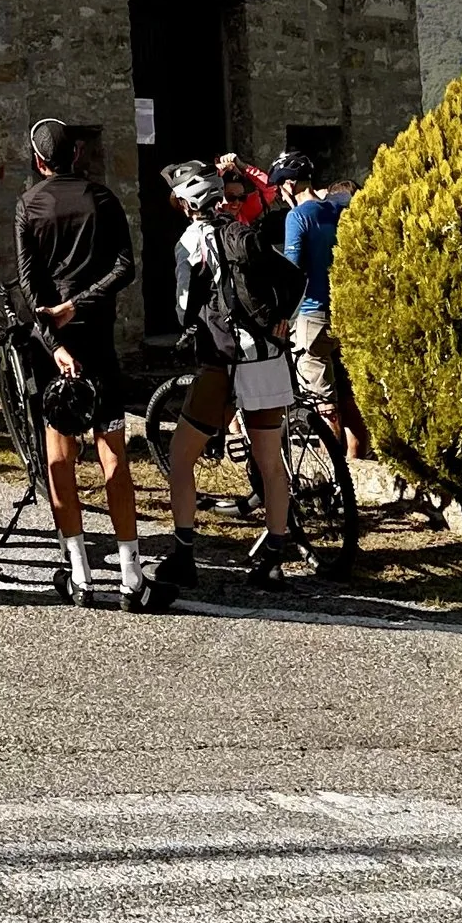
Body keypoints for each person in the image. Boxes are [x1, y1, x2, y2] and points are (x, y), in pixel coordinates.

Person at [154, 156, 314, 598]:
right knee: (270, 457)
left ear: (187, 205)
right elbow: (293, 276)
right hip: (266, 357)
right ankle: (274, 559)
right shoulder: (246, 233)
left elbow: (184, 309)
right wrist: (282, 318)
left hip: (221, 361)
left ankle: (184, 554)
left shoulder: (190, 241)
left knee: (181, 455)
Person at [13, 117, 148, 608]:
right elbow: (125, 267)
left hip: (57, 347)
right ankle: (132, 574)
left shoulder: (28, 204)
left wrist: (54, 343)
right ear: (75, 156)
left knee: (60, 456)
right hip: (99, 339)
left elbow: (30, 289)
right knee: (113, 452)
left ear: (38, 160)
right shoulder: (104, 198)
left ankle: (80, 572)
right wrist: (83, 303)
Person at [276, 149, 362, 451]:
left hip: (311, 315)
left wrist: (280, 312)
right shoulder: (337, 209)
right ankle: (356, 464)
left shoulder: (297, 216)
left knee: (323, 401)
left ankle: (336, 475)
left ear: (288, 184)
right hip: (342, 310)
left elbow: (292, 270)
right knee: (349, 394)